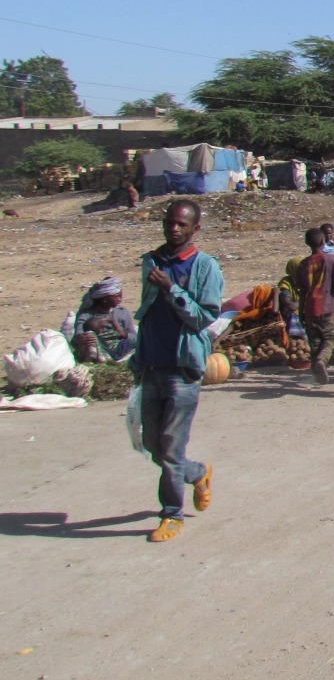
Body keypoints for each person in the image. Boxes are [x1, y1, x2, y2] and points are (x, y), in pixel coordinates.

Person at [133, 200, 222, 543]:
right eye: (170, 222)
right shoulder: (151, 262)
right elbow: (145, 309)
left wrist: (172, 289)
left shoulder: (204, 267)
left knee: (170, 449)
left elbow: (204, 317)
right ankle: (198, 472)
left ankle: (171, 515)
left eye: (182, 224)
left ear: (194, 229)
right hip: (151, 363)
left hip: (182, 369)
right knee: (155, 448)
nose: (174, 228)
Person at [294, 226, 334, 385]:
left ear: (307, 243)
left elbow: (302, 292)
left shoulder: (303, 265)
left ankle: (317, 374)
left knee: (315, 341)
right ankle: (321, 362)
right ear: (324, 241)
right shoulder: (332, 260)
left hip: (310, 308)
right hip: (327, 306)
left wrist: (301, 310)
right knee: (329, 338)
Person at [71, 277, 136, 363]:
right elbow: (76, 338)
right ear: (104, 298)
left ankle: (116, 359)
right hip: (99, 348)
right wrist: (82, 339)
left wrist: (124, 334)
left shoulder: (122, 312)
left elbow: (134, 336)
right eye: (116, 296)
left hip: (119, 348)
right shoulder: (86, 314)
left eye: (120, 296)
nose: (120, 299)